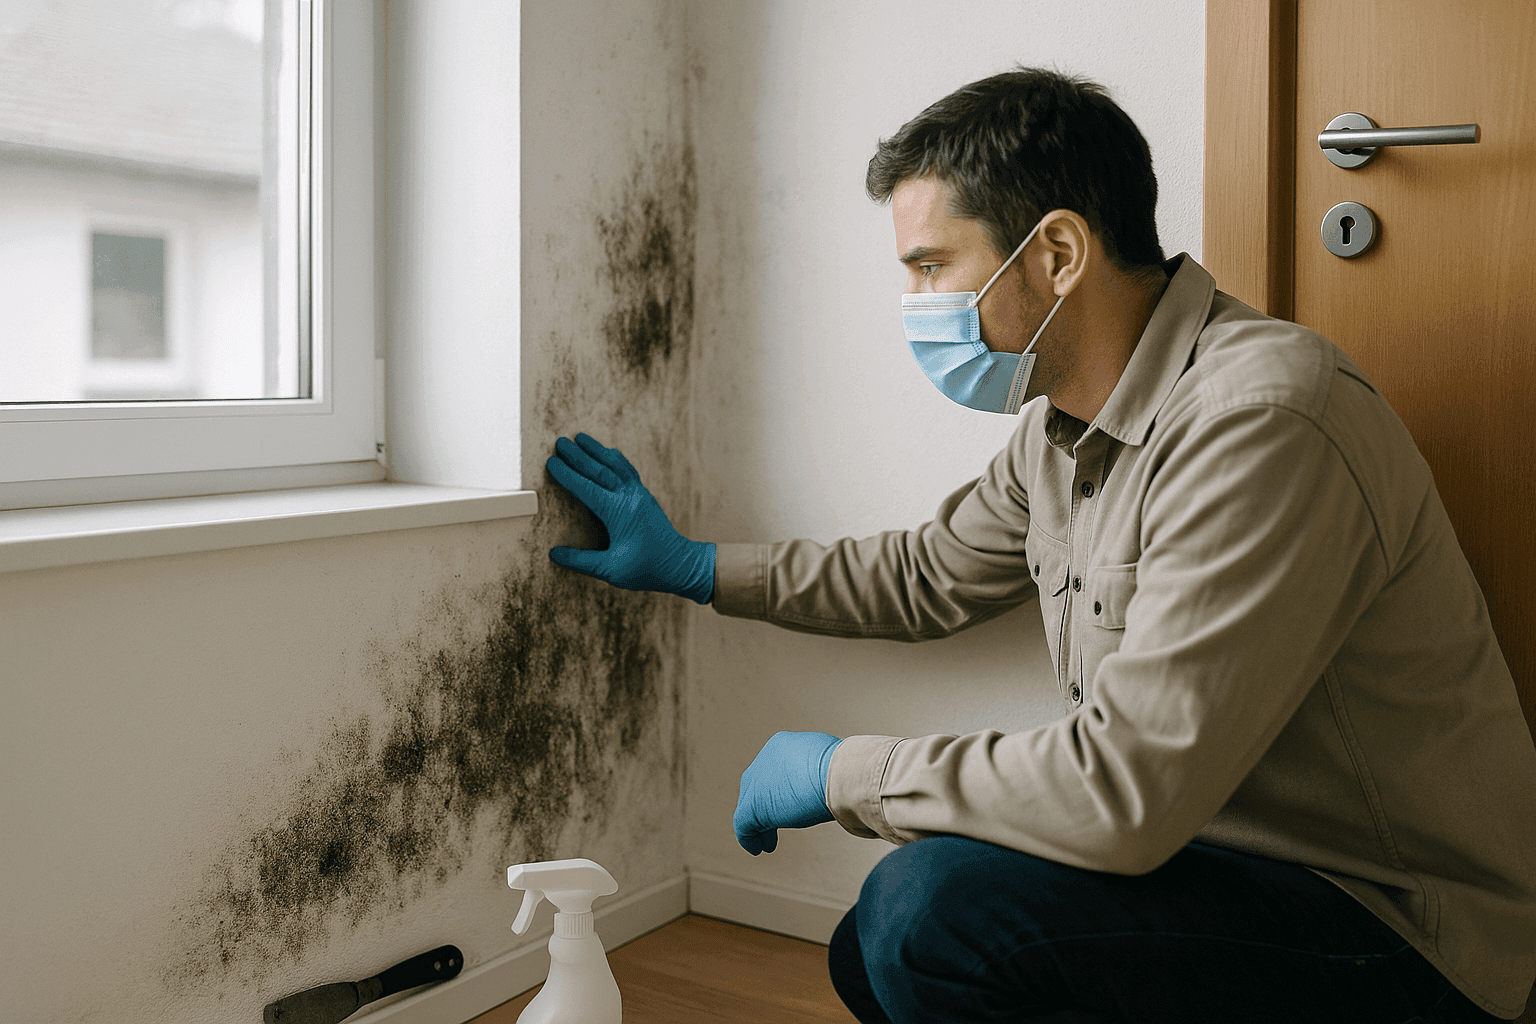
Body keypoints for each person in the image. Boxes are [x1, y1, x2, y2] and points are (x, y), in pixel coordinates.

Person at [544, 68, 1536, 1023]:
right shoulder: (1061, 430)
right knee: (870, 953)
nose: (917, 302)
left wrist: (845, 770)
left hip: (1394, 933)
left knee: (925, 917)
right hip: (1214, 864)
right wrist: (692, 566)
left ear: (1059, 254)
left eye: (933, 265)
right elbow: (926, 574)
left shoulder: (1263, 419)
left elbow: (1126, 789)